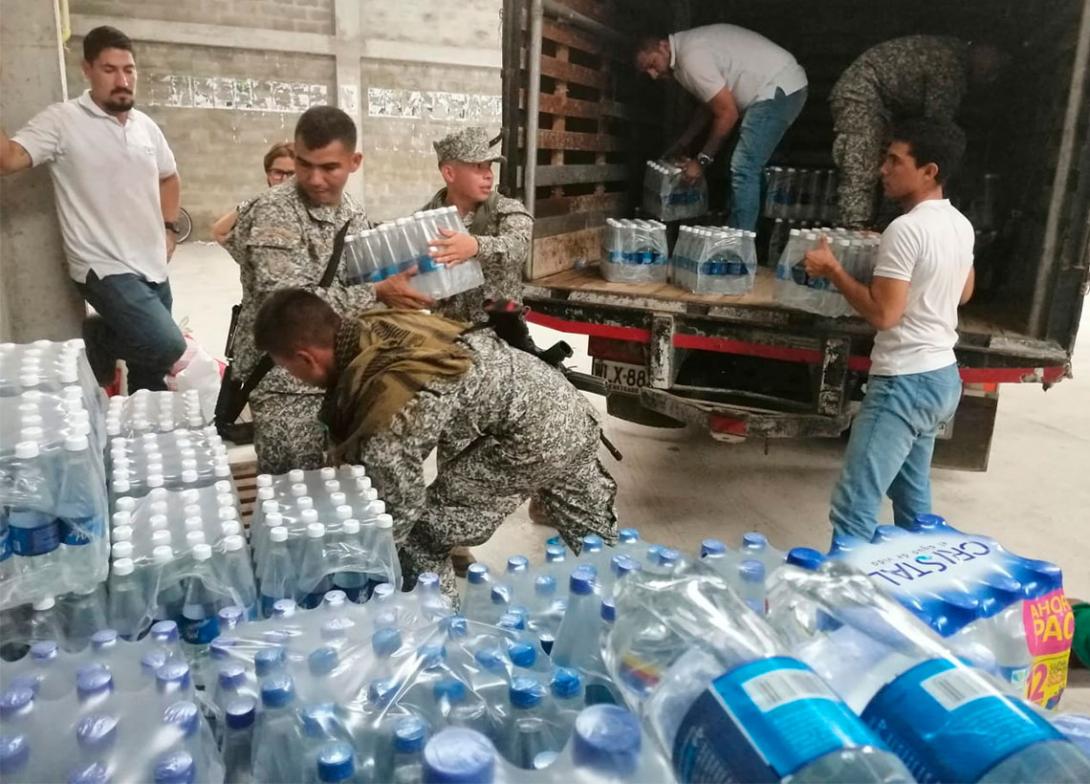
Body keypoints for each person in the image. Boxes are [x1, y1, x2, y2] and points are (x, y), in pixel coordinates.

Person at [252, 287, 619, 595]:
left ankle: (440, 638)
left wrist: (351, 567)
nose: (295, 379)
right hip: (566, 406)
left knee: (420, 540)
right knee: (602, 549)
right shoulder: (371, 326)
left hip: (531, 438)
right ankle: (633, 616)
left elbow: (400, 511)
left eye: (289, 369)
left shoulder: (388, 407)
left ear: (305, 358)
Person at [225, 105, 431, 474]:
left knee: (334, 482)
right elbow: (287, 307)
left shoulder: (352, 213)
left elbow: (359, 280)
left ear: (354, 162)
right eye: (305, 164)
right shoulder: (274, 211)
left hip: (333, 374)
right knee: (293, 486)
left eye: (329, 167)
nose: (315, 178)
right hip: (285, 379)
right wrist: (377, 292)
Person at [803, 118, 974, 540]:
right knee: (912, 502)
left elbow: (884, 316)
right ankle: (921, 573)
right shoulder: (959, 224)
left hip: (904, 381)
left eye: (895, 161)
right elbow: (964, 292)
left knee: (854, 508)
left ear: (929, 171)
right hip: (941, 376)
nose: (883, 169)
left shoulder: (907, 229)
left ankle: (846, 584)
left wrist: (833, 270)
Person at [0, 25, 185, 392]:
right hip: (103, 267)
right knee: (167, 346)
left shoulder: (145, 127)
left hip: (152, 264)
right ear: (87, 70)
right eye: (109, 70)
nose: (122, 81)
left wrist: (169, 227)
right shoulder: (63, 121)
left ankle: (140, 420)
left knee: (150, 376)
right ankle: (100, 338)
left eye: (129, 70)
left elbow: (169, 177)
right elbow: (9, 159)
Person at [635, 24, 808, 231]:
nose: (654, 75)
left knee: (743, 167)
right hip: (779, 85)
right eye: (647, 72)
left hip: (778, 88)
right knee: (744, 167)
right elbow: (709, 105)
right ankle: (747, 232)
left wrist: (701, 161)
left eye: (653, 64)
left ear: (663, 46)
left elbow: (727, 113)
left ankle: (738, 242)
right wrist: (684, 142)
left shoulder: (691, 57)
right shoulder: (683, 59)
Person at [830, 35, 1006, 228]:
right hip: (863, 94)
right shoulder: (949, 65)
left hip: (889, 108)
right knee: (861, 164)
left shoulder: (954, 61)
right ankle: (854, 229)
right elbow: (936, 129)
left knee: (898, 167)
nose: (991, 71)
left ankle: (885, 228)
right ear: (981, 49)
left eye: (997, 70)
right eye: (994, 60)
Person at [419, 127, 533, 324]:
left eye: (489, 166)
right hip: (448, 330)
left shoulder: (507, 210)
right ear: (449, 173)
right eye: (479, 167)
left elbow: (518, 248)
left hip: (500, 331)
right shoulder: (425, 220)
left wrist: (475, 246)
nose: (489, 175)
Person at [211, 141, 295, 244]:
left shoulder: (309, 208)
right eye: (278, 173)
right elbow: (219, 231)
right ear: (268, 175)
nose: (284, 179)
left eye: (291, 174)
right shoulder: (257, 206)